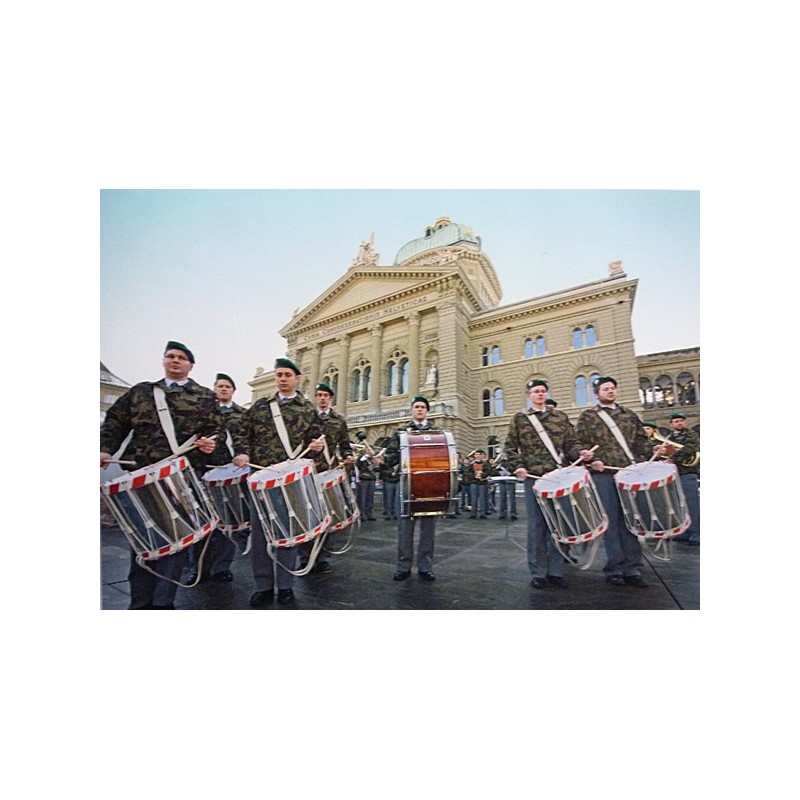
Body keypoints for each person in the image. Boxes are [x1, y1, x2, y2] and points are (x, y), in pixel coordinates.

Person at [100, 341, 222, 610]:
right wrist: (104, 448)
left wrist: (210, 443)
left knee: (176, 543)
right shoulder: (141, 392)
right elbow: (115, 421)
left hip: (179, 478)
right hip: (141, 476)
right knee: (142, 540)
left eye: (181, 358)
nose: (175, 361)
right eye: (170, 356)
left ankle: (163, 602)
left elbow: (217, 430)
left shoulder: (203, 396)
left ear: (191, 365)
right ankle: (140, 602)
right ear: (164, 361)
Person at [232, 358, 325, 607]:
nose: (282, 379)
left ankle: (285, 586)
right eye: (279, 375)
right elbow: (242, 431)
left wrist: (316, 449)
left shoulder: (307, 409)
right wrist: (241, 452)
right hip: (262, 479)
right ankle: (263, 585)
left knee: (288, 533)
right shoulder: (261, 406)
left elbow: (316, 440)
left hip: (290, 480)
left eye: (287, 375)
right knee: (261, 535)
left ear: (296, 379)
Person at [504, 379, 594, 589]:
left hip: (558, 477)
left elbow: (571, 443)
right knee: (537, 527)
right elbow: (509, 447)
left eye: (543, 391)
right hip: (535, 478)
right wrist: (517, 467)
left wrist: (579, 453)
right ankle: (538, 572)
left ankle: (556, 570)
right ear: (529, 395)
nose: (540, 394)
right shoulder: (520, 419)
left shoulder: (559, 417)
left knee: (559, 525)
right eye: (535, 391)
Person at [574, 376, 655, 587]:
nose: (610, 391)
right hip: (604, 474)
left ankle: (633, 568)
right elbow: (580, 444)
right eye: (605, 389)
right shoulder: (588, 417)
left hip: (629, 473)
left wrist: (651, 451)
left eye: (612, 388)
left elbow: (640, 441)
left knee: (631, 520)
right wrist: (593, 461)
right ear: (596, 393)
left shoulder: (628, 414)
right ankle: (615, 568)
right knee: (611, 521)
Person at [185, 373, 247, 585]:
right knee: (201, 522)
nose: (223, 389)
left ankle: (222, 567)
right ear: (214, 388)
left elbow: (247, 440)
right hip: (203, 472)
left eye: (227, 386)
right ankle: (198, 568)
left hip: (230, 475)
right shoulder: (202, 412)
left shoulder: (242, 415)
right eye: (220, 386)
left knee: (227, 522)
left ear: (233, 391)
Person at [383, 396, 441, 582]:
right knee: (405, 527)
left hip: (430, 484)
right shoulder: (401, 432)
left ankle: (425, 567)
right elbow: (392, 455)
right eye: (416, 407)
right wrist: (383, 462)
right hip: (407, 482)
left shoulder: (436, 432)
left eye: (423, 407)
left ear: (427, 411)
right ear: (412, 410)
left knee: (428, 527)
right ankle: (403, 566)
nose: (419, 410)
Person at [299, 381, 355, 573]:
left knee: (327, 514)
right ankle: (305, 555)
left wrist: (348, 456)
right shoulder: (306, 418)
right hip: (307, 471)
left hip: (327, 471)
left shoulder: (338, 420)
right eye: (319, 395)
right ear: (315, 398)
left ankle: (323, 556)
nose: (322, 398)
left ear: (331, 398)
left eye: (326, 395)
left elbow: (345, 444)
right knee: (307, 514)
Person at [660, 412, 700, 546]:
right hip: (675, 474)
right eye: (676, 421)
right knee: (679, 504)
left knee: (692, 504)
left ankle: (697, 533)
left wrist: (673, 458)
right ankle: (685, 531)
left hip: (687, 472)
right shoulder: (669, 437)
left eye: (681, 421)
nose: (679, 423)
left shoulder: (691, 434)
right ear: (671, 424)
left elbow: (691, 448)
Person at [354, 431, 379, 521]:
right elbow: (359, 465)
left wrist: (376, 462)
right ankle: (362, 514)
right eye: (368, 450)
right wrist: (366, 458)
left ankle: (369, 514)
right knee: (362, 498)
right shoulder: (361, 457)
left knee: (370, 498)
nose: (369, 451)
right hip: (363, 479)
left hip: (371, 478)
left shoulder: (374, 458)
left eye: (370, 450)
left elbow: (377, 468)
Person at [468, 449, 493, 518]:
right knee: (473, 498)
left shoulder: (485, 464)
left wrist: (482, 475)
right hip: (474, 482)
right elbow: (468, 472)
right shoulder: (472, 464)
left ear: (482, 456)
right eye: (476, 454)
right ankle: (473, 513)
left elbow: (489, 471)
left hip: (482, 482)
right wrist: (474, 476)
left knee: (483, 498)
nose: (478, 456)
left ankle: (482, 513)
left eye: (479, 454)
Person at [493, 453, 518, 521]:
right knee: (502, 497)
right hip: (502, 481)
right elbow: (495, 471)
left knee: (512, 498)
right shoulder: (499, 463)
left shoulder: (512, 462)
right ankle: (502, 513)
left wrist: (509, 469)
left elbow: (515, 470)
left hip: (511, 481)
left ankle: (513, 513)